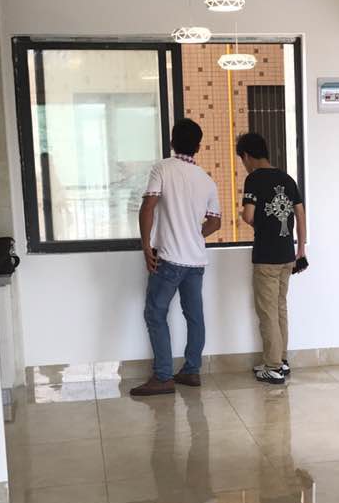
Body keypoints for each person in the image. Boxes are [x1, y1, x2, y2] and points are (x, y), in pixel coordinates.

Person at [131, 118, 221, 397]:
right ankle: (191, 370)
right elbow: (215, 222)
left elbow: (148, 207)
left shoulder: (162, 168)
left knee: (155, 313)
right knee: (194, 316)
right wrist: (194, 234)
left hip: (168, 258)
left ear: (172, 142)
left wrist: (146, 246)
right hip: (196, 261)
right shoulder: (207, 180)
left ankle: (163, 377)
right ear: (198, 147)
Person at [237, 131, 306, 384]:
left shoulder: (254, 179)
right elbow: (300, 214)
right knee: (280, 309)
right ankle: (282, 360)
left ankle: (273, 366)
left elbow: (248, 215)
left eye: (242, 160)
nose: (244, 165)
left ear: (247, 156)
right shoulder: (287, 179)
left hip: (266, 257)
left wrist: (247, 216)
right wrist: (301, 249)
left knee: (267, 313)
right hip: (287, 255)